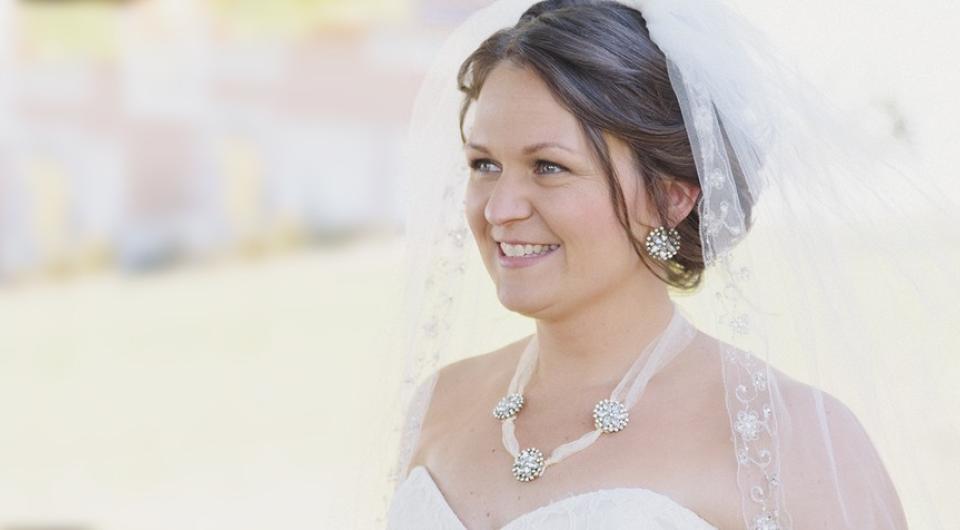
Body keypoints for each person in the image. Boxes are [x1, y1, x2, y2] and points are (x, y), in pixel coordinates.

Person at [378, 0, 959, 528]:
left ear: (673, 195)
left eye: (549, 166)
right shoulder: (441, 403)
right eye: (484, 164)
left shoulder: (793, 438)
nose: (500, 208)